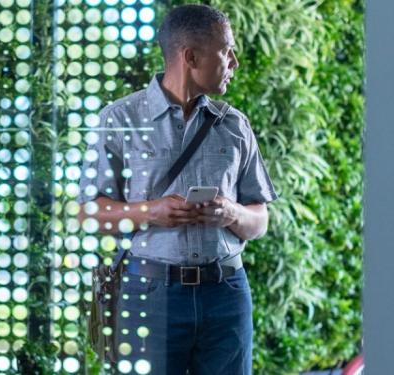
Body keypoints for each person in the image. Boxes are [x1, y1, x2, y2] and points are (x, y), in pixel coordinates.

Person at [76, 4, 278, 374]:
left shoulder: (234, 125)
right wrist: (150, 212)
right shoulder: (119, 120)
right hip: (149, 294)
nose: (234, 61)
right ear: (191, 56)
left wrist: (231, 212)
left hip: (227, 294)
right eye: (226, 51)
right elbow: (88, 213)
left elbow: (259, 221)